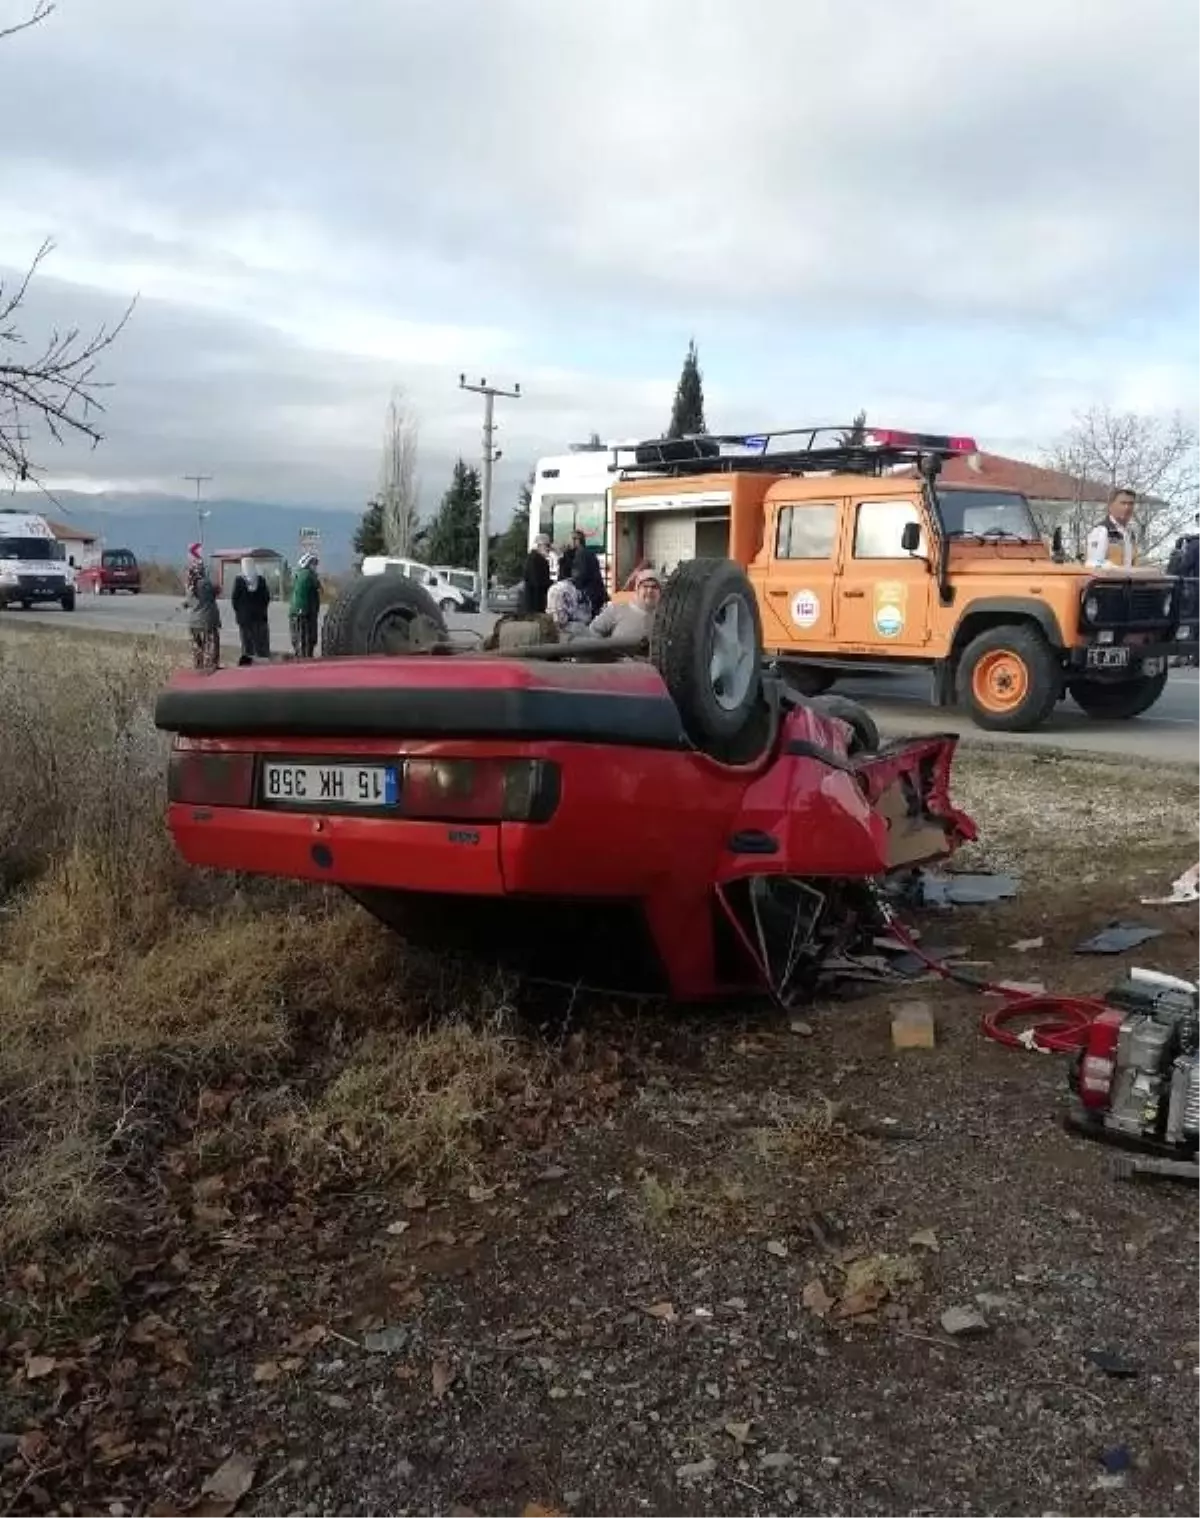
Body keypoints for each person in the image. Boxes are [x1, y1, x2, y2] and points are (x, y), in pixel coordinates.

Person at [589, 567, 661, 641]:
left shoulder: (665, 616)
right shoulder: (617, 609)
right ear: (637, 590)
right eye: (645, 586)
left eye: (654, 587)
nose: (649, 591)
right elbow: (593, 631)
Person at [183, 543, 220, 671]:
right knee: (211, 644)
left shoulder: (189, 586)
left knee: (197, 647)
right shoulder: (206, 584)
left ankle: (198, 666)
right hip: (208, 620)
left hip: (193, 622)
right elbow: (216, 591)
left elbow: (190, 601)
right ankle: (210, 665)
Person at [1085, 488, 1138, 569]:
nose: (1127, 508)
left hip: (1127, 580)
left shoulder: (1130, 533)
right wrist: (1115, 569)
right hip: (1109, 580)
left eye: (1131, 504)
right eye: (1123, 503)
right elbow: (1092, 563)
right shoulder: (1102, 530)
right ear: (1110, 506)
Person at [231, 554, 271, 660]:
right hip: (260, 617)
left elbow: (235, 599)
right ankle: (263, 661)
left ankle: (248, 661)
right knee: (260, 642)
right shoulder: (261, 580)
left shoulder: (239, 580)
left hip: (244, 619)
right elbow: (266, 598)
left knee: (247, 642)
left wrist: (239, 612)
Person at [557, 529, 608, 613]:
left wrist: (569, 582)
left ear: (576, 541)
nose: (568, 543)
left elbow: (580, 576)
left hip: (589, 595)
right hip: (595, 593)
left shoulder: (581, 554)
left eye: (570, 540)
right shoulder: (587, 553)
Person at [546, 557, 593, 640]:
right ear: (573, 571)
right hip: (571, 633)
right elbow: (560, 620)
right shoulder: (570, 589)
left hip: (561, 632)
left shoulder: (555, 589)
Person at [290, 552, 322, 658]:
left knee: (302, 639)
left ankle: (302, 657)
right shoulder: (307, 574)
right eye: (313, 563)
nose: (315, 566)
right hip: (304, 613)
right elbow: (317, 588)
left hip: (301, 612)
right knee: (305, 640)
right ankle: (305, 659)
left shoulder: (300, 574)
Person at [522, 533, 552, 615]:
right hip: (534, 602)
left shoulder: (537, 558)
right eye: (547, 546)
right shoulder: (534, 559)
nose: (548, 549)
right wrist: (551, 584)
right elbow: (537, 581)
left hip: (535, 601)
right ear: (539, 546)